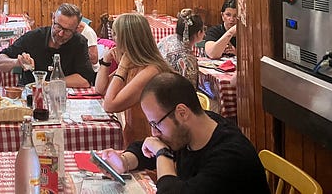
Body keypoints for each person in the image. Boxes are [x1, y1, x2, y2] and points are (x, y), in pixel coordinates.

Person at [99, 72, 269, 194]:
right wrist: (124, 161)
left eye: (156, 124)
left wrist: (162, 153)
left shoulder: (230, 156)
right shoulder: (193, 128)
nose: (154, 133)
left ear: (182, 112)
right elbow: (144, 149)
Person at [95, 13, 173, 146]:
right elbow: (101, 89)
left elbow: (110, 105)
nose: (113, 39)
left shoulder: (152, 70)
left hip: (151, 146)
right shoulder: (136, 64)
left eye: (115, 34)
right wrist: (106, 62)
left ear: (126, 40)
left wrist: (122, 66)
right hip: (136, 141)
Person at [0, 3, 95, 88]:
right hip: (29, 96)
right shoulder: (33, 37)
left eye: (67, 31)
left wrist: (50, 84)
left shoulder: (79, 42)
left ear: (77, 29)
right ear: (53, 19)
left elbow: (85, 80)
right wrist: (17, 62)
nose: (60, 34)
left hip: (64, 97)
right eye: (58, 26)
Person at [157, 9, 205, 88]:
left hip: (155, 88)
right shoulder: (187, 58)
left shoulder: (166, 40)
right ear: (199, 33)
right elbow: (190, 90)